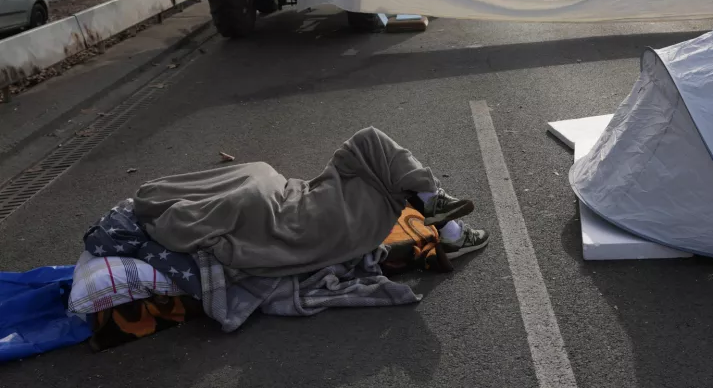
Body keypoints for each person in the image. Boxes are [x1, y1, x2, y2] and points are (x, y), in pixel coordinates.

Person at [131, 127, 490, 275]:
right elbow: (179, 222)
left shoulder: (228, 191)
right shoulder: (219, 207)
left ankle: (440, 213)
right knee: (370, 146)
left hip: (313, 203)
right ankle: (441, 214)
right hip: (312, 219)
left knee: (375, 161)